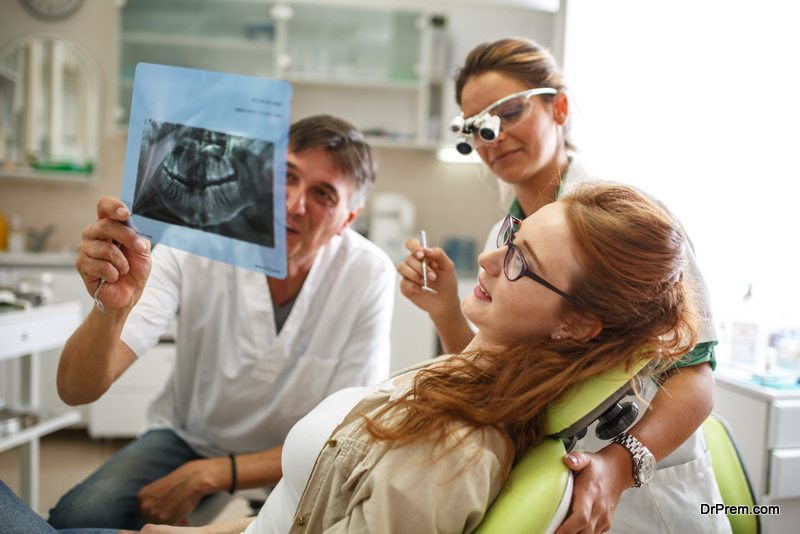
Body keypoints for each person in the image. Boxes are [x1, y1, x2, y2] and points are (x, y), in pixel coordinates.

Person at [0, 182, 722, 534]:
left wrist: (621, 461)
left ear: (578, 325)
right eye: (513, 230)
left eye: (524, 262)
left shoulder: (456, 444)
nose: (494, 254)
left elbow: (697, 384)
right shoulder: (471, 375)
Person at [397, 38, 723, 534]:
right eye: (475, 127)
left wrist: (619, 466)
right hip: (558, 488)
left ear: (560, 107)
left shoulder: (625, 223)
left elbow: (696, 375)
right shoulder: (501, 239)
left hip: (655, 501)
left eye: (508, 113)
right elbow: (496, 374)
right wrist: (444, 310)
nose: (493, 136)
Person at [47, 115, 397, 530]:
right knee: (78, 516)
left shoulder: (369, 272)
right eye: (287, 176)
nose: (292, 204)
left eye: (323, 193)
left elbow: (346, 433)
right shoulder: (195, 243)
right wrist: (111, 309)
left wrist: (212, 474)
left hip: (300, 455)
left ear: (348, 219)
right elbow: (75, 390)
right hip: (190, 440)